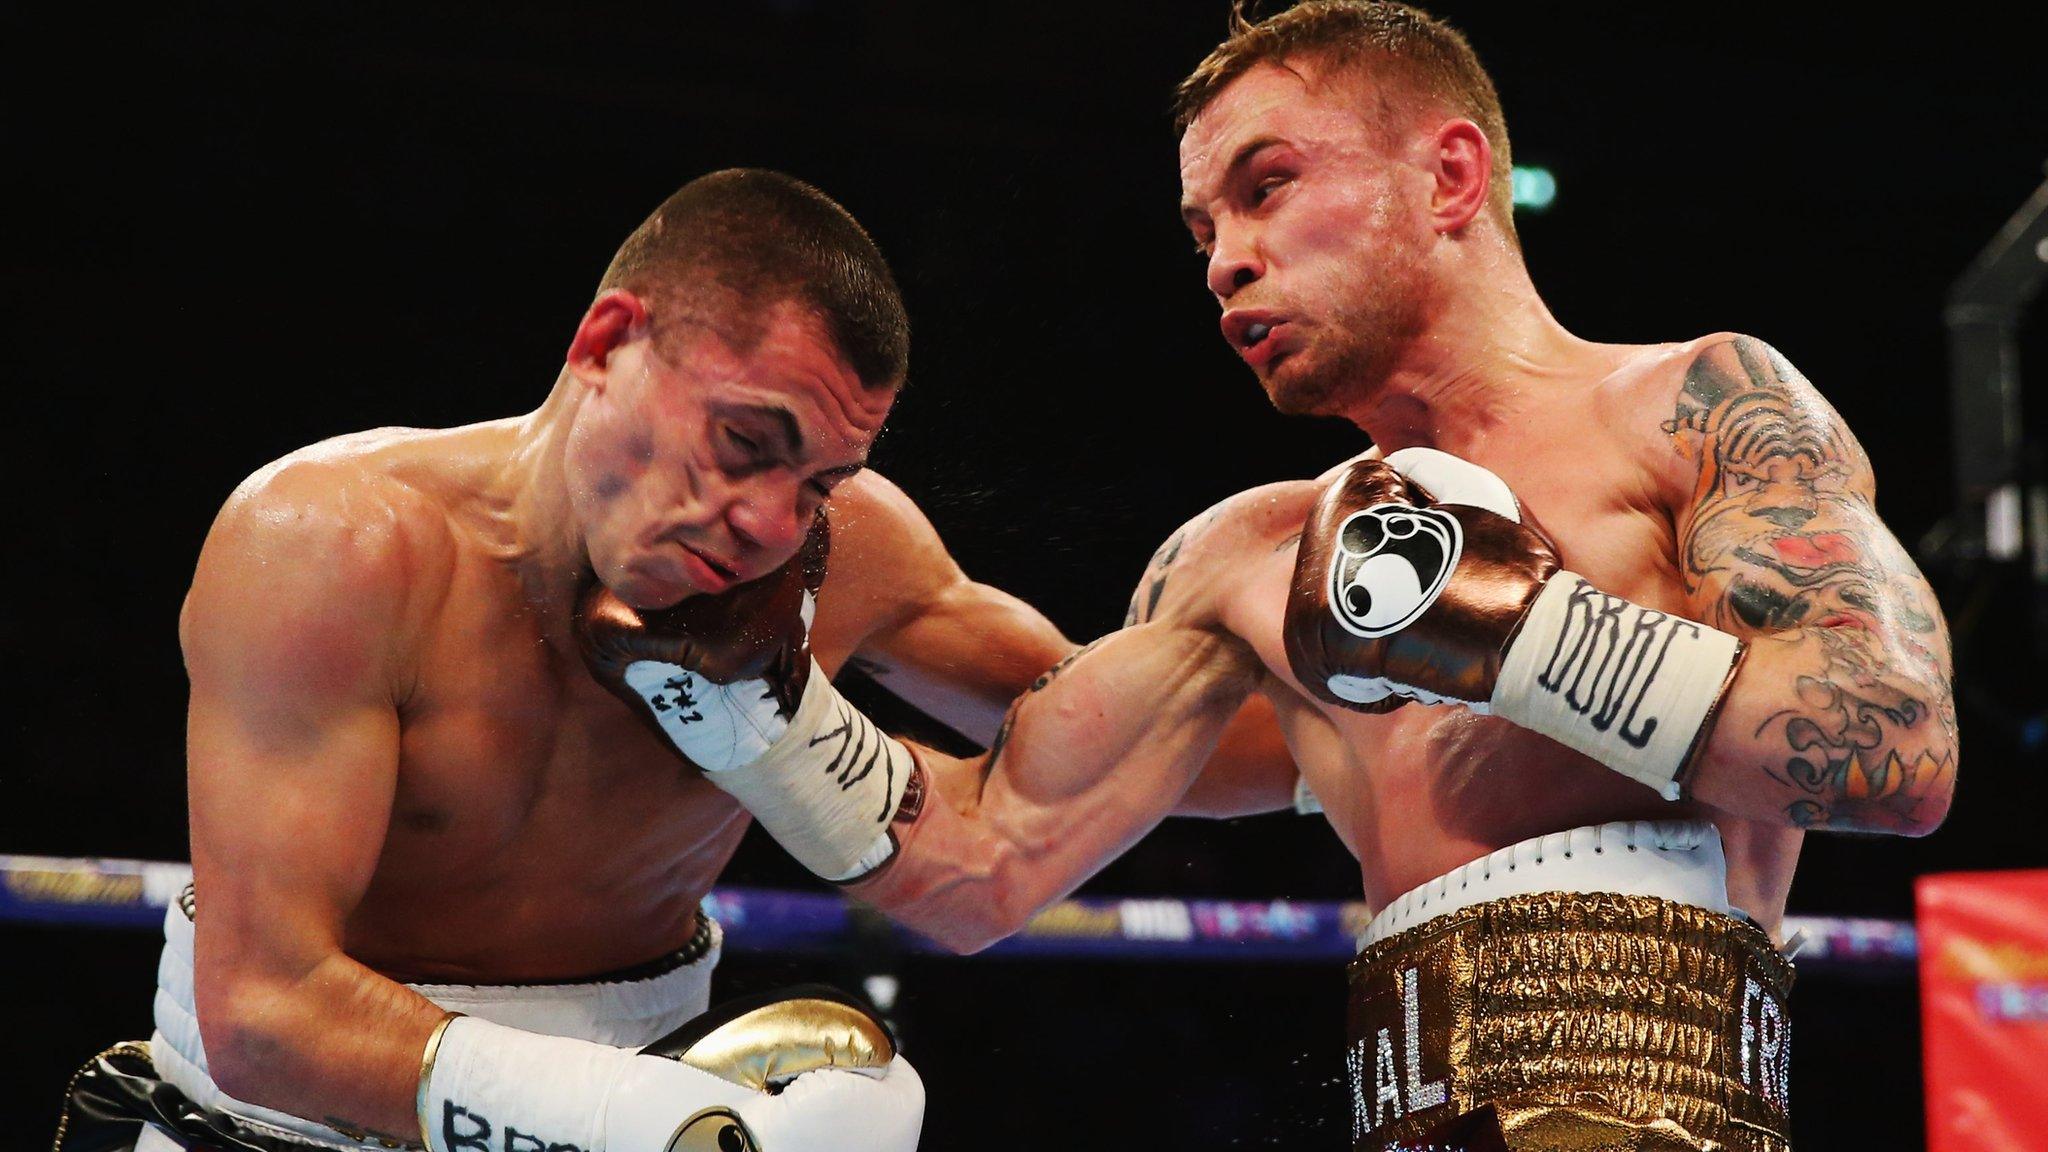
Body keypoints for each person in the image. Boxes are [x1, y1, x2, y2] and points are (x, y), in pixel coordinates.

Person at [616, 6, 1957, 1149]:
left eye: (1266, 188)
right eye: (1202, 224)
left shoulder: (1696, 407)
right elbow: (983, 867)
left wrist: (1523, 638)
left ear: (1448, 177)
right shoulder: (1248, 560)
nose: (1223, 259)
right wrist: (761, 718)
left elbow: (1894, 751)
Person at [49, 166, 1295, 1152]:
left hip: (643, 1077)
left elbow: (1154, 750)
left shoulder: (839, 552)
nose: (768, 518)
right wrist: (624, 1123)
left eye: (819, 478)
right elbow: (265, 1014)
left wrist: (1345, 689)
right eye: (744, 441)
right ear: (606, 342)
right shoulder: (334, 546)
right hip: (275, 1124)